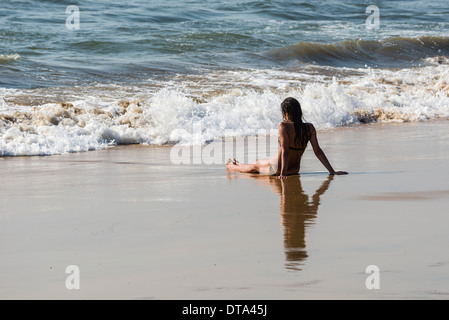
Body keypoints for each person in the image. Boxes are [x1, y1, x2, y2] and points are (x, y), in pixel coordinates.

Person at [226, 97, 348, 178]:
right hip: (295, 169)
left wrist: (282, 173)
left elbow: (285, 150)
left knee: (255, 166)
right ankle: (239, 163)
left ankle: (231, 165)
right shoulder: (309, 127)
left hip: (278, 169)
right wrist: (332, 171)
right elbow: (318, 151)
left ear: (286, 112)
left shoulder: (283, 125)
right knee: (260, 161)